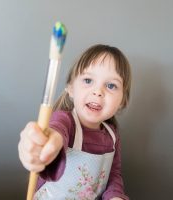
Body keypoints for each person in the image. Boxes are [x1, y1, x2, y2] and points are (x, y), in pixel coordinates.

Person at [18, 44, 131, 200]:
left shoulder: (113, 136)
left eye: (111, 85)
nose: (98, 91)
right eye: (88, 80)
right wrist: (50, 142)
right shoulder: (64, 121)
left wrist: (115, 196)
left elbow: (113, 175)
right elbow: (56, 132)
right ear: (71, 88)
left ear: (122, 102)